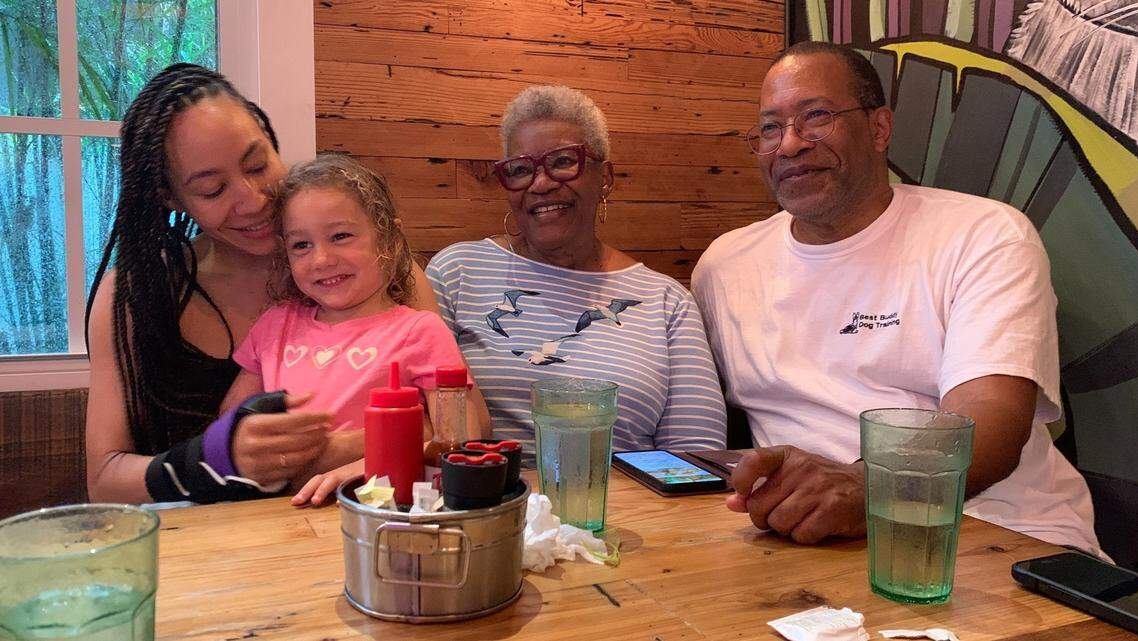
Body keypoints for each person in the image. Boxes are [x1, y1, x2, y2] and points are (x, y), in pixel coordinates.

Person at [691, 41, 1104, 557]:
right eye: (770, 129)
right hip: (813, 544)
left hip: (996, 532)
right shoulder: (724, 266)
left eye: (815, 116)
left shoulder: (982, 234)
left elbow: (991, 419)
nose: (790, 145)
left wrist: (869, 487)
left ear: (879, 128)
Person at [85, 64, 441, 504]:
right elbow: (104, 481)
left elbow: (450, 422)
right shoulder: (138, 294)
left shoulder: (380, 269)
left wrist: (342, 449)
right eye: (213, 190)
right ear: (170, 197)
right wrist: (215, 458)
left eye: (257, 165)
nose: (252, 201)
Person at [427, 85, 727, 461]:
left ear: (606, 178)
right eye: (520, 170)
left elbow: (696, 457)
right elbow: (421, 418)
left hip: (622, 511)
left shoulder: (667, 302)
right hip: (486, 504)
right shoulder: (456, 273)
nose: (541, 183)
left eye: (563, 162)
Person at [217, 154, 489, 505]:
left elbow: (462, 442)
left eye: (341, 236)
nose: (321, 259)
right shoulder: (275, 325)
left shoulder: (420, 330)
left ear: (388, 240)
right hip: (276, 514)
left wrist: (367, 466)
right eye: (301, 245)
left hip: (376, 507)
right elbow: (229, 427)